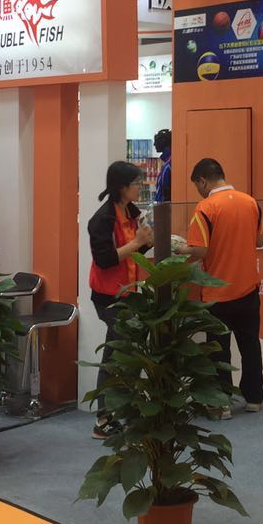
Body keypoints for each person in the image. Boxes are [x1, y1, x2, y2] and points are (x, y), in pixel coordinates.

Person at [178, 157, 263, 419]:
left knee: (219, 351)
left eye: (197, 185)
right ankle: (254, 398)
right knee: (250, 345)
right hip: (248, 288)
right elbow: (259, 241)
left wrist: (180, 248)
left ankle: (222, 403)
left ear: (203, 181)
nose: (198, 191)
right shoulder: (251, 202)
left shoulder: (205, 208)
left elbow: (200, 250)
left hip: (218, 293)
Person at [86, 161, 154, 439]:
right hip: (109, 298)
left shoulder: (132, 212)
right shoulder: (102, 220)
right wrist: (137, 243)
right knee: (117, 355)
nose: (141, 187)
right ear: (122, 187)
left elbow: (132, 252)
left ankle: (121, 413)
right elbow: (105, 260)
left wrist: (147, 242)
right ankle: (105, 419)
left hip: (129, 293)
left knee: (123, 353)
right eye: (137, 183)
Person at [153, 129, 172, 204]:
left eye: (156, 141)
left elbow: (166, 191)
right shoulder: (166, 162)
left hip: (165, 206)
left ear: (163, 141)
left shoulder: (169, 164)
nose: (154, 144)